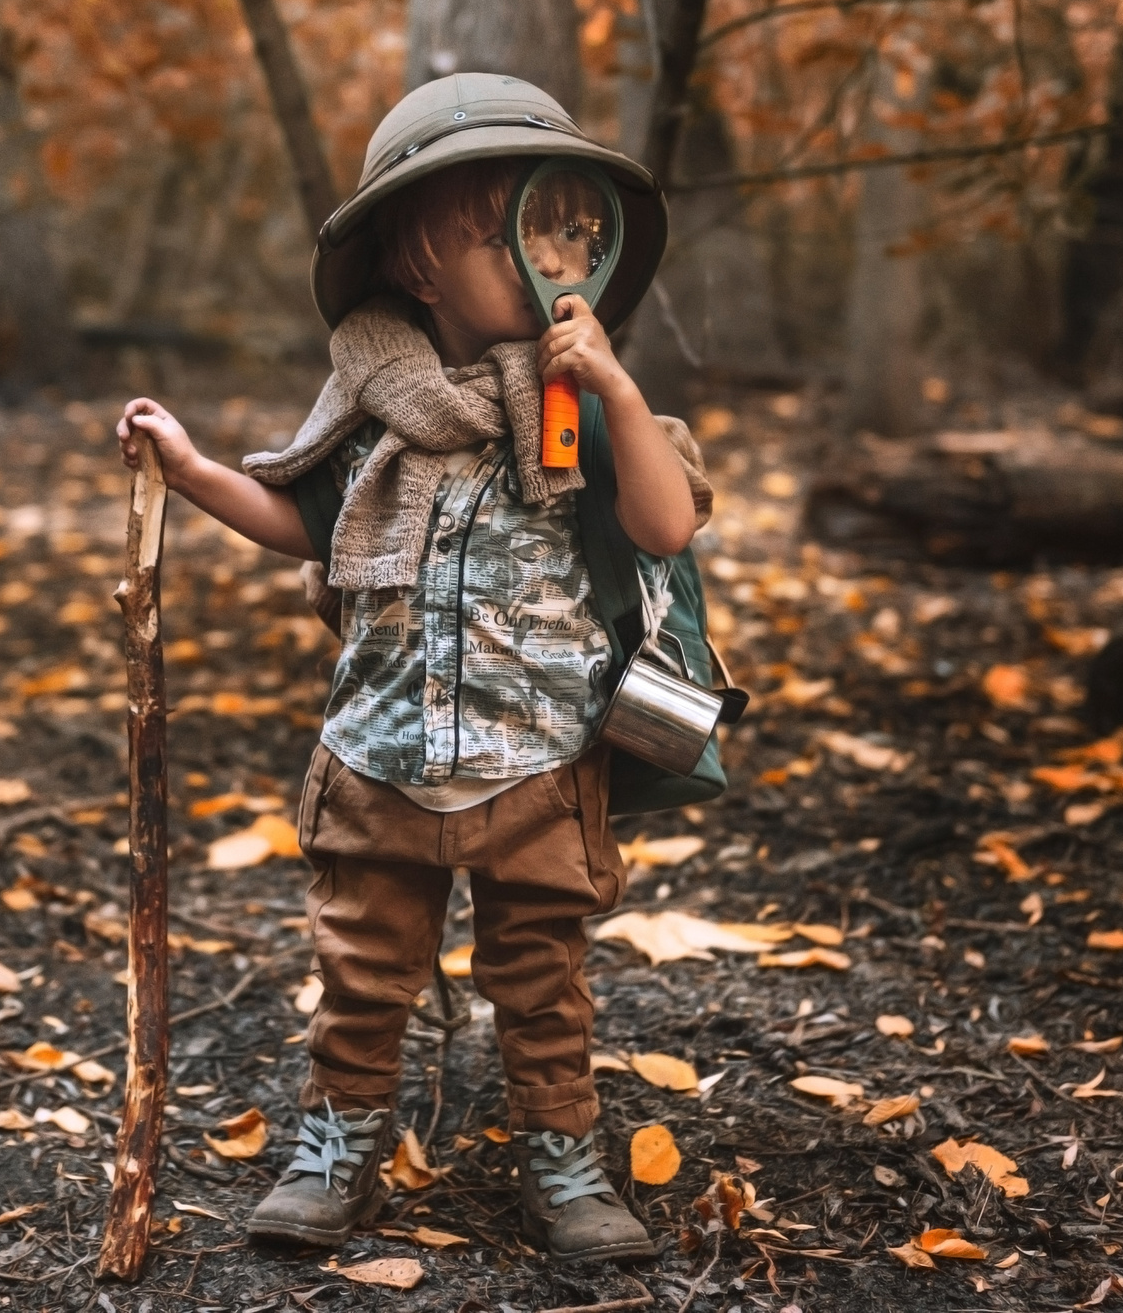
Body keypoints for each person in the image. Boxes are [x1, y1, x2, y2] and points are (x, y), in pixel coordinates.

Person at [115, 73, 713, 1265]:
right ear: (424, 266)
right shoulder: (378, 414)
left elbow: (661, 526)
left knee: (541, 980)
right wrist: (190, 470)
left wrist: (615, 388)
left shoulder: (581, 410)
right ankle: (338, 1144)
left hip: (536, 765)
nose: (550, 263)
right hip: (381, 757)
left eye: (568, 235)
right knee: (362, 970)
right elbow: (305, 523)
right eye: (512, 235)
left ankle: (563, 1155)